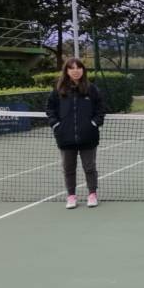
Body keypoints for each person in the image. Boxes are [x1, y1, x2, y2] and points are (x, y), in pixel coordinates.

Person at [46, 58, 106, 209]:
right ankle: (71, 196)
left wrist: (93, 124)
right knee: (68, 168)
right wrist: (56, 125)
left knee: (90, 167)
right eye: (72, 68)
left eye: (79, 67)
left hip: (88, 136)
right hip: (65, 138)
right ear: (66, 71)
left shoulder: (92, 89)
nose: (76, 70)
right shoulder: (59, 90)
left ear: (83, 70)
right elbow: (50, 109)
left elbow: (101, 109)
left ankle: (92, 194)